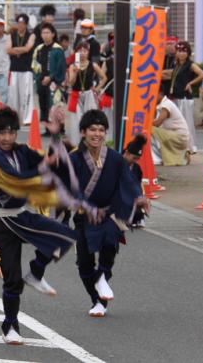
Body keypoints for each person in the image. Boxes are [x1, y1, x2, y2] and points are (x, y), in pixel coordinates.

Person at [0, 107, 77, 345]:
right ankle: (10, 326)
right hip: (0, 219)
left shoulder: (22, 150)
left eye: (11, 132)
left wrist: (56, 134)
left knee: (64, 235)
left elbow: (49, 159)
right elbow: (17, 179)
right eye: (2, 133)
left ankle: (36, 272)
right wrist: (45, 166)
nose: (7, 138)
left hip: (20, 215)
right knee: (12, 277)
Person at [66, 110, 148, 318]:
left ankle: (102, 276)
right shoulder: (74, 159)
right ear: (83, 132)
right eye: (92, 129)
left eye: (101, 130)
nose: (97, 134)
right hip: (85, 215)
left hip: (110, 214)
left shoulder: (114, 158)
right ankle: (97, 299)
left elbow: (128, 180)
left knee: (109, 244)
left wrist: (139, 196)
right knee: (84, 265)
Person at [162, 41, 203, 153]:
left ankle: (190, 146)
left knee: (187, 122)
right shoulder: (176, 65)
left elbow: (202, 74)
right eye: (179, 51)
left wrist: (190, 83)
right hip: (176, 96)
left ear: (188, 52)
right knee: (177, 123)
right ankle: (180, 145)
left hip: (184, 98)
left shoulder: (190, 65)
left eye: (184, 51)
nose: (181, 53)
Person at [65, 42, 107, 146]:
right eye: (80, 51)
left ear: (88, 52)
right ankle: (77, 143)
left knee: (91, 118)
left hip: (89, 94)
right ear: (76, 52)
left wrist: (97, 89)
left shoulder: (93, 65)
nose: (82, 53)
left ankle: (91, 142)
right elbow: (71, 83)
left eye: (85, 51)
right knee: (76, 120)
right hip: (76, 94)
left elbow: (104, 78)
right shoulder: (72, 66)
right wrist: (75, 72)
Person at [31, 23, 66, 134]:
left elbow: (61, 67)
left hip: (54, 83)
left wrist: (51, 77)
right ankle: (48, 129)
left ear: (53, 34)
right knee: (44, 105)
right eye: (43, 33)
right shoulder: (39, 49)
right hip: (41, 81)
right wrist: (39, 78)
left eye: (47, 32)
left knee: (55, 104)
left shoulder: (58, 49)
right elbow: (34, 65)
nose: (45, 35)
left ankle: (59, 128)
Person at [7, 14, 36, 125]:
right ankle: (14, 118)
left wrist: (15, 50)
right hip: (14, 69)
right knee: (13, 94)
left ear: (26, 24)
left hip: (26, 69)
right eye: (19, 23)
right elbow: (8, 49)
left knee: (26, 94)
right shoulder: (11, 35)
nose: (20, 25)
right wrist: (21, 50)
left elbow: (28, 48)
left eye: (23, 23)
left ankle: (27, 118)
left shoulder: (31, 35)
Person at [153, 85, 191, 166]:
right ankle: (182, 157)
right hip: (177, 135)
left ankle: (157, 158)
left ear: (160, 93)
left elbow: (157, 123)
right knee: (154, 131)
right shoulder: (162, 104)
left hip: (179, 137)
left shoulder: (166, 105)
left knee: (150, 130)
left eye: (154, 95)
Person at [123, 134, 148, 228]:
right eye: (134, 158)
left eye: (137, 159)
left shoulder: (136, 168)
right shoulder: (116, 163)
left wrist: (142, 196)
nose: (135, 161)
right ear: (127, 153)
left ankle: (137, 218)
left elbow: (138, 184)